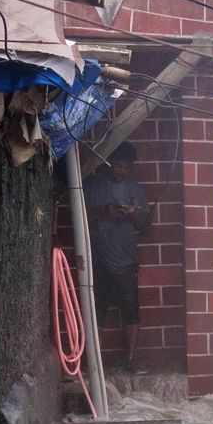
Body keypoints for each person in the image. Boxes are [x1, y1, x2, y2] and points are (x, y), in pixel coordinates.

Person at [85, 143, 151, 370]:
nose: (120, 171)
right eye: (117, 166)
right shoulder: (93, 184)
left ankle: (132, 358)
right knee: (98, 310)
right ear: (108, 164)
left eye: (126, 168)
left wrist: (131, 214)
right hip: (99, 258)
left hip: (126, 260)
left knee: (131, 310)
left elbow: (144, 223)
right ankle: (97, 361)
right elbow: (80, 214)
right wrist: (106, 211)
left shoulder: (136, 189)